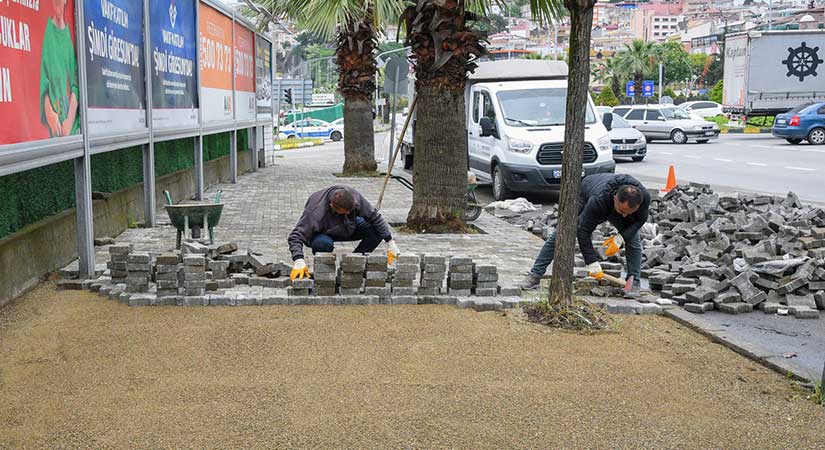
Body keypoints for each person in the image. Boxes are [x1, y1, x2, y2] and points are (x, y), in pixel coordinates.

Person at [519, 173, 650, 298]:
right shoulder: (598, 201)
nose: (624, 216)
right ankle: (535, 274)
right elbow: (583, 231)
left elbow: (640, 220)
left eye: (629, 212)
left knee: (633, 239)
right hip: (586, 191)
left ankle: (634, 282)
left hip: (612, 203)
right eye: (622, 211)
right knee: (563, 231)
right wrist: (591, 262)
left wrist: (621, 236)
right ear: (615, 198)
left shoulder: (644, 197)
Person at [288, 186, 399, 279]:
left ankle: (353, 262)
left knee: (376, 229)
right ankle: (325, 273)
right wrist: (298, 260)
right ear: (332, 206)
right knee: (322, 244)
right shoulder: (315, 212)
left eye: (350, 211)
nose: (349, 213)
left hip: (349, 226)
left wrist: (390, 241)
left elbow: (375, 217)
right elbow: (295, 236)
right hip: (324, 233)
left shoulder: (354, 198)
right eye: (344, 212)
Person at [40, 0, 80, 138]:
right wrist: (50, 114)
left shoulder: (71, 37)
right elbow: (43, 83)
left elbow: (76, 84)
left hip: (73, 131)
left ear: (65, 2)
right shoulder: (47, 34)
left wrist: (69, 121)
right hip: (54, 132)